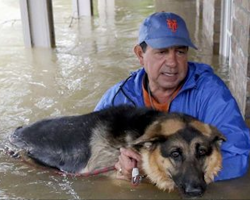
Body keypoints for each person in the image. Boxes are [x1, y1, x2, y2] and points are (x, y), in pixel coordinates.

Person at [94, 12, 250, 182]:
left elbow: (238, 156)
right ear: (140, 54)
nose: (172, 63)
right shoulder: (119, 98)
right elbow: (89, 152)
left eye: (180, 52)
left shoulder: (210, 92)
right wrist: (118, 168)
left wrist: (161, 174)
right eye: (162, 52)